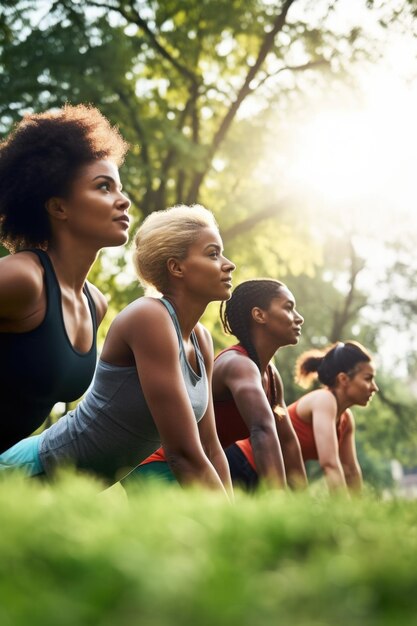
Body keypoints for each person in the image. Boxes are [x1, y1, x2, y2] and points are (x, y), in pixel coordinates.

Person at [0, 205, 235, 497]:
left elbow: (210, 446)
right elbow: (183, 454)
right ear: (176, 267)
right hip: (31, 470)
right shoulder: (150, 317)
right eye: (213, 254)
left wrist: (234, 517)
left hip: (69, 490)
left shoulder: (201, 339)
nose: (228, 264)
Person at [0, 104, 130, 452]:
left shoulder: (95, 304)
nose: (124, 201)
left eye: (119, 188)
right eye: (104, 187)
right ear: (59, 207)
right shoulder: (24, 278)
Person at [134, 278, 308, 492]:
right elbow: (262, 429)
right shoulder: (237, 365)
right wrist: (278, 499)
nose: (299, 318)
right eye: (288, 308)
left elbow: (288, 441)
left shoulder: (271, 376)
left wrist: (302, 503)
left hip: (199, 466)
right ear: (259, 315)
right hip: (160, 461)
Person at [287, 341, 378, 493]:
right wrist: (343, 514)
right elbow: (330, 465)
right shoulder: (324, 400)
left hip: (272, 476)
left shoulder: (346, 419)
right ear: (343, 379)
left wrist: (359, 512)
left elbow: (350, 470)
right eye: (368, 379)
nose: (375, 387)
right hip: (245, 463)